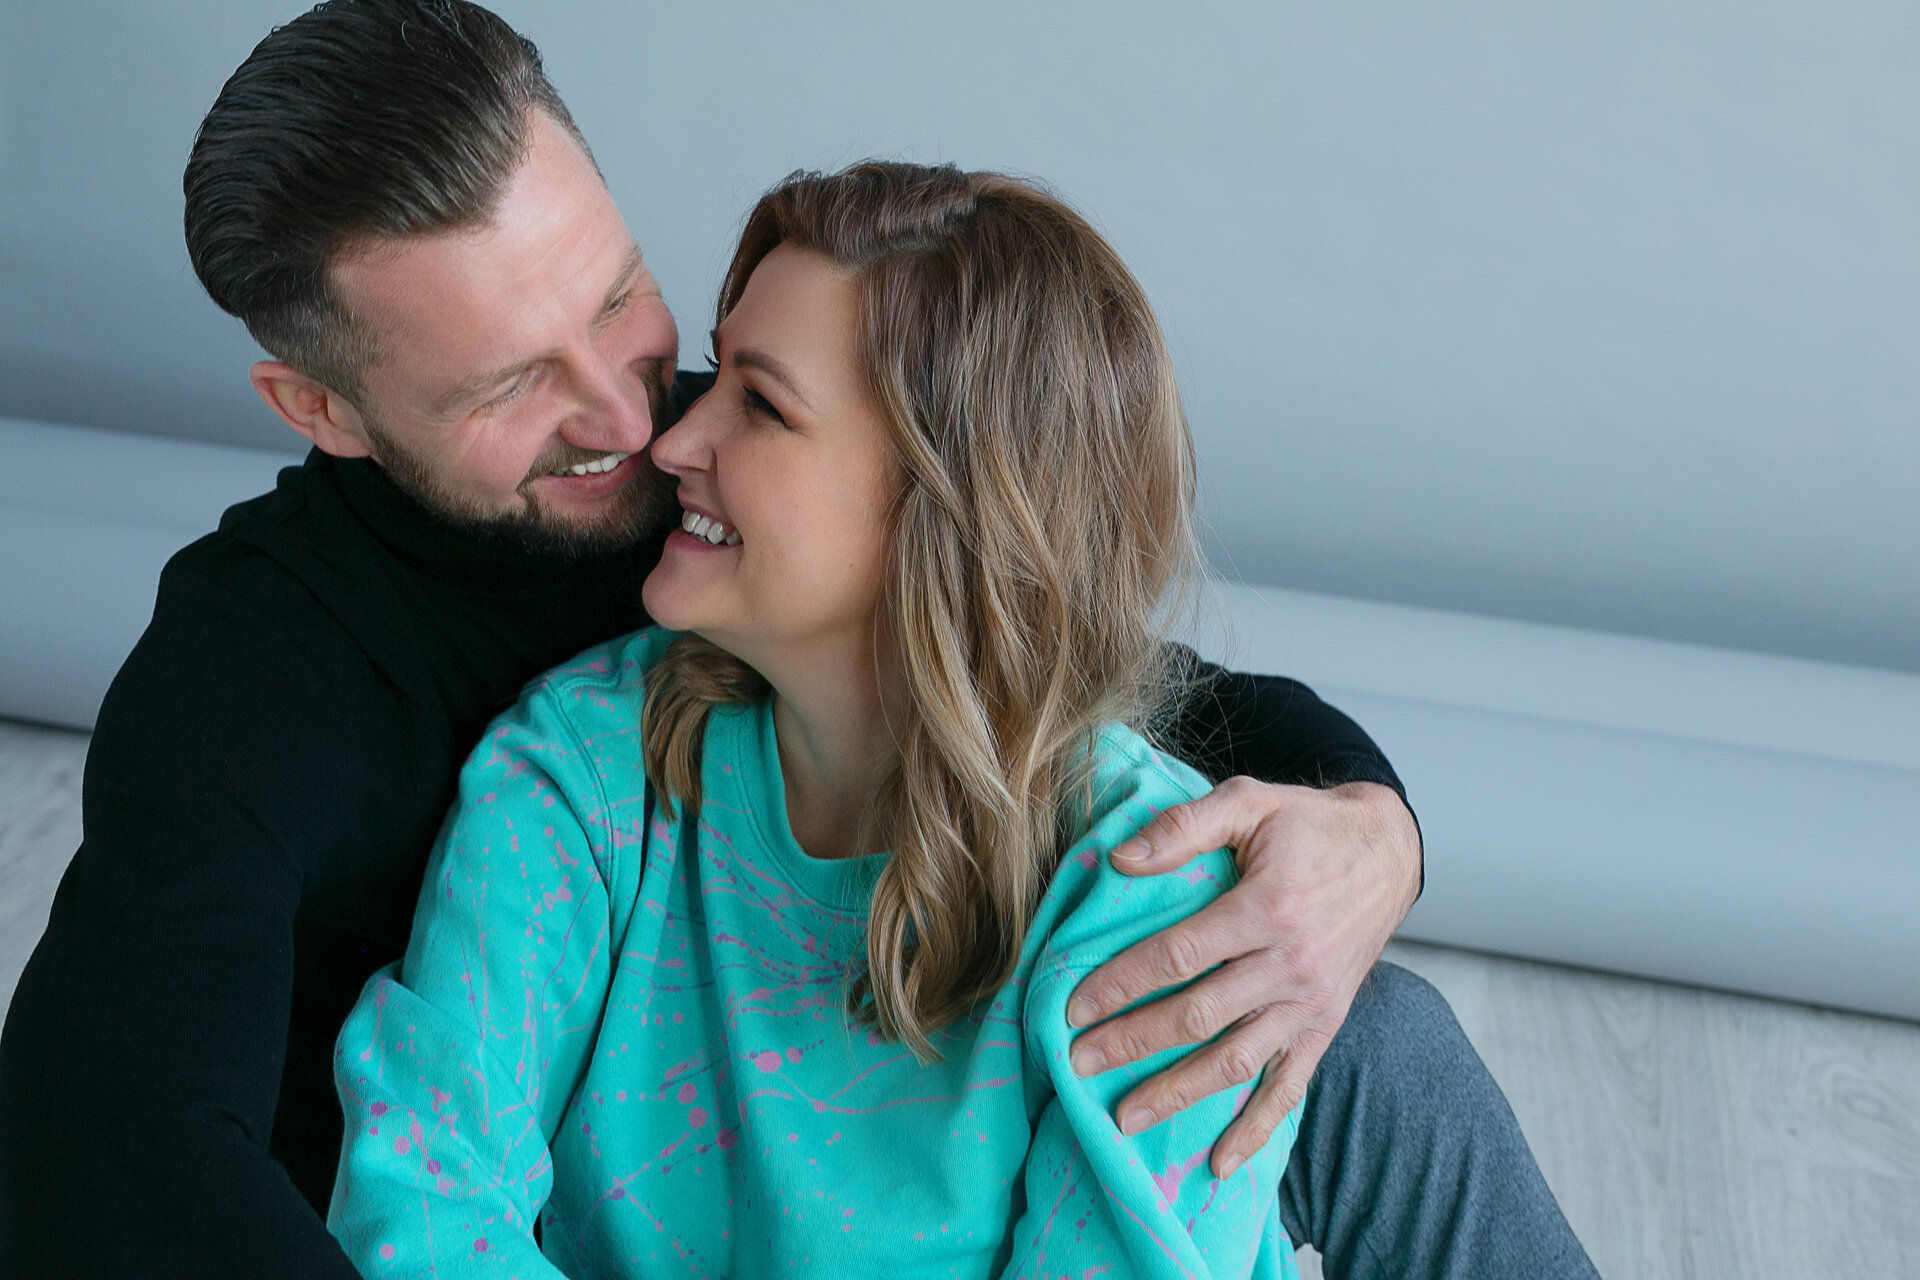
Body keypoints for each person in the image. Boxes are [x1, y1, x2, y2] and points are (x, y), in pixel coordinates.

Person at [0, 3, 1595, 1278]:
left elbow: (1067, 675)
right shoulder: (273, 686)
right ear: (324, 409)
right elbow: (118, 1148)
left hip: (935, 1085)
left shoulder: (763, 492)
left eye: (620, 302)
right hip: (425, 1212)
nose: (636, 421)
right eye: (510, 387)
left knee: (1356, 1027)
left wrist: (1373, 830)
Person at [332, 159, 1299, 1277]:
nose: (670, 443)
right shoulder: (579, 772)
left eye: (762, 404)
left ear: (947, 506)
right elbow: (423, 1207)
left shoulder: (1156, 900)